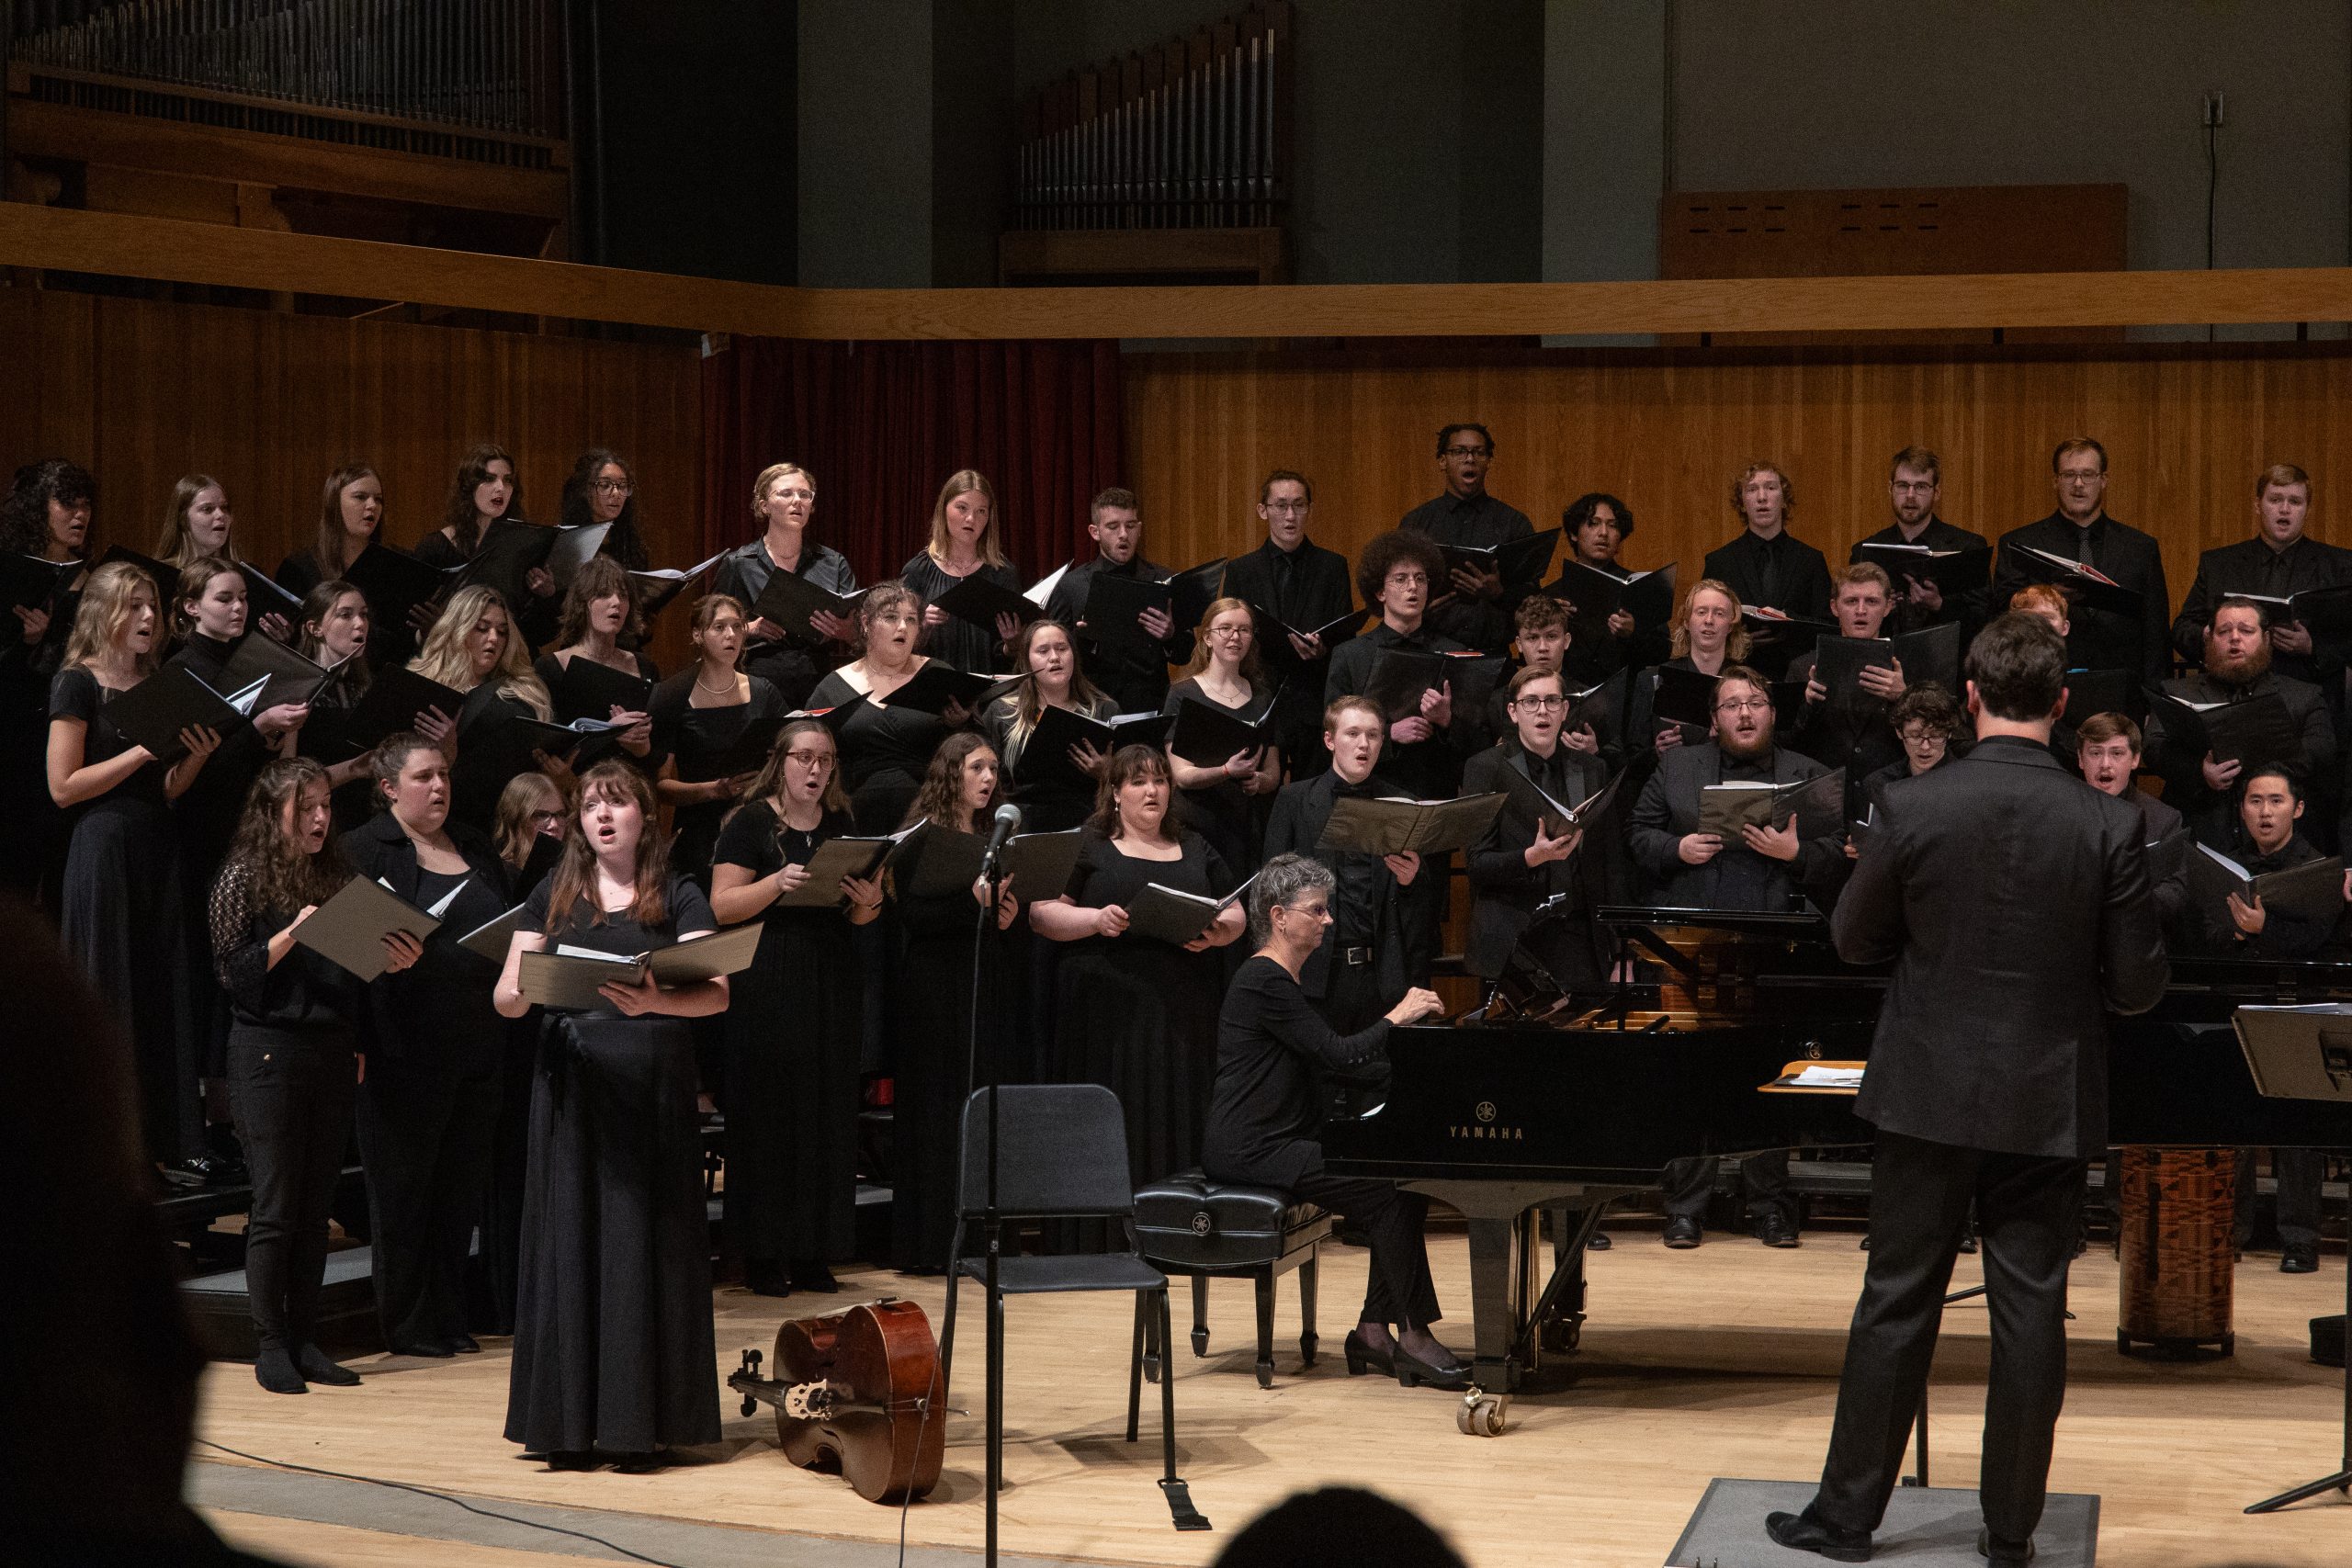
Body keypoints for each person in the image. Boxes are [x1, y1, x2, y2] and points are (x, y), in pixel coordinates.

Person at [1767, 612, 2167, 1568]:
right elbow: (2139, 986)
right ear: (2063, 706)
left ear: (1974, 698)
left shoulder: (1913, 807)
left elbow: (1854, 942)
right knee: (2029, 1309)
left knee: (1896, 1298)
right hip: (2047, 1094)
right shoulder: (2111, 820)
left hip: (1925, 1090)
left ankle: (1845, 1520)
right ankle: (2011, 1532)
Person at [493, 761, 729, 1472]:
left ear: (642, 818)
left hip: (651, 1085)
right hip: (575, 1083)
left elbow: (716, 992)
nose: (601, 815)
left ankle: (641, 1424)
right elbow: (507, 994)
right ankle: (568, 1423)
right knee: (572, 1241)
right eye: (590, 804)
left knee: (642, 1244)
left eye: (616, 802)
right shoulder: (554, 891)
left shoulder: (679, 891)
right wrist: (525, 989)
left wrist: (656, 1000)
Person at [1201, 853, 1460, 1386]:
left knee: (1400, 1178)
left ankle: (1373, 1328)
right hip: (1252, 1149)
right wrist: (1397, 1016)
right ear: (1279, 917)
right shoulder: (1262, 980)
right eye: (1316, 910)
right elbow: (1338, 1055)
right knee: (1388, 1188)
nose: (1328, 920)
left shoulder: (1279, 983)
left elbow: (1329, 1064)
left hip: (1279, 1140)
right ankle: (1410, 1333)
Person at [211, 756, 422, 1393]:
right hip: (268, 1049)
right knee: (275, 1205)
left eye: (326, 805)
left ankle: (306, 1337)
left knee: (315, 1206)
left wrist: (394, 959)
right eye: (306, 807)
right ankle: (269, 1342)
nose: (321, 817)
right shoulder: (241, 875)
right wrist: (292, 936)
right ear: (274, 812)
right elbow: (232, 974)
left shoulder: (336, 872)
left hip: (330, 1049)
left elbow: (355, 970)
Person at [1631, 665, 1844, 1249]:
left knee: (1770, 1078)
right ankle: (1684, 1208)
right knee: (1691, 1077)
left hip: (1776, 946)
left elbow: (1838, 854)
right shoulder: (1677, 767)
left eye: (1755, 702)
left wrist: (1796, 853)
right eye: (1731, 705)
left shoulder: (1811, 774)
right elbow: (1638, 834)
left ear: (1773, 713)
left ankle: (1770, 1205)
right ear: (1714, 718)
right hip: (1693, 947)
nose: (1745, 714)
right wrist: (1677, 847)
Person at [342, 732, 515, 1357]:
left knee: (458, 1188)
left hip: (476, 1042)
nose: (439, 786)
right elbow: (342, 955)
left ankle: (449, 1312)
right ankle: (409, 1322)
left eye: (443, 774)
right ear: (388, 787)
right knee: (404, 1193)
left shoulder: (471, 842)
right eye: (423, 777)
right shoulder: (364, 849)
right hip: (400, 1048)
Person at [50, 560, 221, 1172]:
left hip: (157, 844)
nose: (149, 617)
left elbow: (168, 788)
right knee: (111, 987)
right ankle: (107, 1152)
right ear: (104, 612)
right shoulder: (78, 681)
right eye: (134, 606)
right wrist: (142, 749)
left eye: (152, 605)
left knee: (161, 994)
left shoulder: (159, 682)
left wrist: (194, 757)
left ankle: (164, 1145)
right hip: (103, 848)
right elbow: (63, 785)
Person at [1029, 745, 1246, 1218]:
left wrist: (1216, 933)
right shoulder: (1090, 844)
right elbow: (1042, 912)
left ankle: (1178, 1222)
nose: (1153, 790)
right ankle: (1100, 1226)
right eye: (1139, 782)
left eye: (1161, 781)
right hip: (1105, 1012)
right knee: (1113, 1113)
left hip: (1182, 1008)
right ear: (1114, 793)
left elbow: (1236, 912)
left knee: (1176, 1110)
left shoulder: (1195, 845)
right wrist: (1094, 919)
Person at [708, 718, 882, 1295]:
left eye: (826, 760)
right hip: (765, 975)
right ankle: (762, 1253)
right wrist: (774, 884)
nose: (816, 769)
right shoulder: (750, 822)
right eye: (805, 757)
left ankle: (813, 1250)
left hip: (829, 975)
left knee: (825, 1112)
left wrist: (869, 902)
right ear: (780, 760)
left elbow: (857, 917)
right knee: (769, 1113)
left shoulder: (841, 825)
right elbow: (723, 906)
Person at [890, 732, 1024, 1274]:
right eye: (976, 768)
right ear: (951, 773)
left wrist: (1004, 916)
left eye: (993, 768)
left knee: (983, 1101)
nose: (988, 779)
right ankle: (931, 1242)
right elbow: (915, 919)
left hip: (983, 981)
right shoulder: (922, 837)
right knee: (938, 1104)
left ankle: (983, 1242)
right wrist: (971, 904)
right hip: (933, 988)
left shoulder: (999, 836)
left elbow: (998, 914)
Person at [2209, 770, 2334, 1273]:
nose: (2264, 811)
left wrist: (2266, 929)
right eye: (2255, 800)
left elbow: (2322, 939)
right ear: (2242, 809)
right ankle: (2229, 1231)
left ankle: (2300, 1239)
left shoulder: (2319, 868)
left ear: (2297, 809)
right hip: (2239, 1003)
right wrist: (2237, 936)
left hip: (2299, 1005)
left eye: (2275, 801)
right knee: (2233, 1118)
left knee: (2298, 1126)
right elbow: (2204, 933)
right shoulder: (2227, 866)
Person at [1262, 696, 1427, 1023]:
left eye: (1373, 735)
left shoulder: (1403, 803)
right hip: (1314, 974)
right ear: (1329, 740)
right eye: (1352, 734)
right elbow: (1270, 891)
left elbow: (1420, 905)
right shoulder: (1294, 800)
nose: (1363, 744)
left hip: (1382, 976)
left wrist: (1410, 880)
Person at [2145, 597, 2335, 847]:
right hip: (2199, 832)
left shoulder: (2303, 695)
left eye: (2246, 631)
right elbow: (2153, 747)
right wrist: (2200, 772)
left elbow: (2322, 751)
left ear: (2266, 639)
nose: (2235, 638)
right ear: (2209, 639)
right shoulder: (2176, 692)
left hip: (2281, 841)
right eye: (2224, 631)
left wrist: (2264, 771)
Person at [1463, 667, 1606, 995]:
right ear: (1513, 712)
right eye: (1530, 702)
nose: (1542, 710)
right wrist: (1530, 858)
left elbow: (1607, 861)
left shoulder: (1592, 769)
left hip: (1576, 938)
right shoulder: (1484, 768)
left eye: (1552, 700)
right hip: (1511, 941)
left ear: (1565, 710)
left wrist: (1616, 947)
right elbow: (1477, 864)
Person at [1990, 436, 2172, 688]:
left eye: (2088, 475)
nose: (2078, 484)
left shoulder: (2140, 547)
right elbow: (2001, 611)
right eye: (2068, 475)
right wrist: (2048, 595)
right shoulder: (2019, 543)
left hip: (2121, 684)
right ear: (2056, 481)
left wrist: (2156, 698)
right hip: (2042, 682)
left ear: (2103, 480)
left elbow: (2156, 630)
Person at [1, 459, 95, 911]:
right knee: (17, 865)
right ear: (38, 508)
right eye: (67, 504)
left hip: (76, 729)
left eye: (86, 505)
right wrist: (28, 641)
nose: (80, 515)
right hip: (19, 732)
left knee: (62, 865)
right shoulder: (11, 570)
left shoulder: (92, 575)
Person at [1323, 530, 1476, 800]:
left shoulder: (1455, 652)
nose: (1413, 587)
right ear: (1381, 592)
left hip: (1434, 787)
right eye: (1401, 579)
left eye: (1420, 579)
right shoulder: (1350, 655)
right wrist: (1388, 733)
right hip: (1371, 788)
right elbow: (1334, 733)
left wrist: (1446, 720)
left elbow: (1476, 738)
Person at [2172, 463, 2352, 692]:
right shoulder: (2219, 564)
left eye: (2295, 502)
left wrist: (2312, 647)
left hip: (2311, 698)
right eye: (2275, 500)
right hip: (2232, 695)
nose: (2284, 509)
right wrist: (2213, 636)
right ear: (2258, 505)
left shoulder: (2341, 566)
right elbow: (2182, 629)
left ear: (2307, 508)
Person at [1217, 469, 1353, 773]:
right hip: (1258, 700)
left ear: (1310, 509)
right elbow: (1227, 634)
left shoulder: (1333, 566)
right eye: (1280, 506)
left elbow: (1345, 638)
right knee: (1261, 798)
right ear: (1262, 511)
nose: (1290, 515)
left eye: (1298, 505)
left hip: (1314, 702)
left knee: (1314, 796)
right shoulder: (1242, 570)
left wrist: (1322, 650)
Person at [650, 593, 790, 883]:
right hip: (701, 830)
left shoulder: (764, 692)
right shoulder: (672, 695)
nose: (731, 635)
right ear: (697, 635)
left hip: (760, 823)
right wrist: (714, 790)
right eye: (719, 627)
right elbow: (660, 787)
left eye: (737, 627)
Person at [808, 580, 966, 834]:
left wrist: (960, 724)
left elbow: (967, 751)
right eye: (891, 617)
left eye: (911, 619)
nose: (903, 627)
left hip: (930, 818)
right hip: (853, 820)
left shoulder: (938, 675)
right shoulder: (833, 687)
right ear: (866, 624)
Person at [409, 584, 554, 834]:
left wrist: (556, 772)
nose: (494, 639)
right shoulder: (423, 685)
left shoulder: (525, 692)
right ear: (458, 629)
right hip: (443, 822)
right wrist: (447, 756)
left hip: (512, 823)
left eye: (502, 631)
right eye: (482, 628)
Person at [714, 462, 857, 707]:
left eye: (805, 495)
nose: (797, 501)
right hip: (758, 678)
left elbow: (860, 628)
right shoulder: (739, 564)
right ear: (764, 505)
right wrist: (750, 629)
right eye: (786, 493)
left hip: (818, 676)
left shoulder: (833, 562)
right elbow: (708, 628)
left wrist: (844, 630)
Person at [1046, 486, 1197, 714]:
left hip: (1151, 704)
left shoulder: (1166, 580)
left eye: (1131, 525)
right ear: (1095, 531)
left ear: (1139, 529)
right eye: (1113, 526)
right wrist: (1083, 640)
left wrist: (1170, 635)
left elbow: (1186, 654)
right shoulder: (1071, 585)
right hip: (1093, 706)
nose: (1123, 534)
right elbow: (1055, 656)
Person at [1163, 596, 1282, 875]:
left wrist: (1260, 781)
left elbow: (1273, 771)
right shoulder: (1183, 693)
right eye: (1225, 628)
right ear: (1207, 637)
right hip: (1197, 823)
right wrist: (1226, 770)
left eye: (1244, 630)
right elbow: (1181, 775)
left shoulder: (1262, 696)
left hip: (1245, 825)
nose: (1235, 637)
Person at [1397, 422, 1533, 655]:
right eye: (1459, 451)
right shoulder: (1416, 524)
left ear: (1488, 461)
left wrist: (1499, 594)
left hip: (1494, 654)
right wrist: (1419, 609)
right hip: (1428, 651)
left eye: (1478, 452)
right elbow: (1394, 588)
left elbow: (1532, 601)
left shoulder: (1514, 523)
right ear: (1442, 461)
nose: (1469, 459)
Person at [416, 444, 559, 649]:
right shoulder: (435, 547)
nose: (500, 487)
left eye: (508, 480)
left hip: (506, 662)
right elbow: (412, 626)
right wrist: (433, 630)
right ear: (469, 486)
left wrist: (547, 597)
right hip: (450, 661)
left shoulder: (524, 547)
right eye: (489, 479)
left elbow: (537, 634)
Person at [981, 617, 1114, 832]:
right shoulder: (1002, 712)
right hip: (1021, 823)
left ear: (1074, 655)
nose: (1054, 658)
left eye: (1062, 648)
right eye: (1043, 651)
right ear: (1027, 661)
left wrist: (1108, 772)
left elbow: (1131, 777)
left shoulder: (1104, 710)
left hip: (1088, 822)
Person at [1849, 446, 1991, 640]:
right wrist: (1880, 606)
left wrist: (1939, 604)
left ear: (1937, 492)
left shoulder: (1968, 546)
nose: (1910, 495)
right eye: (1902, 485)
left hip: (1948, 660)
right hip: (1882, 660)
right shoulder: (1863, 551)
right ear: (1890, 489)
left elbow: (1984, 619)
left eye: (1921, 487)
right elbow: (1849, 617)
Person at [532, 555, 657, 768]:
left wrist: (642, 747)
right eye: (604, 594)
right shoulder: (549, 667)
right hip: (576, 785)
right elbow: (546, 748)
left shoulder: (645, 666)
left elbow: (657, 752)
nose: (616, 602)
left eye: (624, 596)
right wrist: (609, 732)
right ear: (583, 603)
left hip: (631, 782)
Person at [277, 463, 405, 666]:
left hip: (381, 675)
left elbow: (401, 638)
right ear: (334, 504)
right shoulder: (299, 568)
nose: (372, 505)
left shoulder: (397, 564)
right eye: (360, 497)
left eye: (378, 499)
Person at [2075, 712, 2189, 940]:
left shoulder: (2165, 819)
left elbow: (2176, 890)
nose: (2105, 764)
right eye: (2095, 753)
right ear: (2080, 759)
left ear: (2135, 759)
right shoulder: (2062, 813)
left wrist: (2126, 907)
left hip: (2137, 941)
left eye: (2117, 753)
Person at [1702, 463, 1833, 661]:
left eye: (1771, 488)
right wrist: (1737, 640)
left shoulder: (1811, 559)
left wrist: (1788, 619)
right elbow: (1704, 622)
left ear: (1784, 500)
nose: (1762, 497)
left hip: (1797, 673)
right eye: (1752, 489)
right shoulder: (1720, 561)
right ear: (1742, 503)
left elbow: (1829, 625)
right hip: (1737, 672)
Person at [1787, 562, 1905, 777]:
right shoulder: (1802, 667)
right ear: (1834, 607)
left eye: (1871, 601)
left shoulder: (1906, 667)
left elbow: (1933, 735)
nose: (1861, 610)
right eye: (1851, 601)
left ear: (1888, 607)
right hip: (1824, 788)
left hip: (1887, 788)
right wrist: (1808, 706)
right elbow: (1787, 744)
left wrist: (1903, 697)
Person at [904, 468, 1026, 677]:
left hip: (990, 694)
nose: (971, 519)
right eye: (962, 508)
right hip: (931, 687)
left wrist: (1012, 644)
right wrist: (922, 624)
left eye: (981, 511)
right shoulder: (918, 570)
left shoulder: (1002, 573)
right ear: (944, 509)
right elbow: (896, 642)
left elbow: (1011, 655)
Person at [290, 578, 387, 834]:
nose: (360, 624)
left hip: (366, 817)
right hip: (317, 822)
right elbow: (287, 781)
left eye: (364, 615)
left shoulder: (365, 686)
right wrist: (354, 769)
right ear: (315, 628)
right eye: (345, 615)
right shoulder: (297, 687)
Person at [1627, 578, 1751, 752]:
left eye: (1719, 613)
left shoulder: (1749, 682)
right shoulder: (1652, 679)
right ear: (1686, 621)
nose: (1709, 620)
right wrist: (1656, 751)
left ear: (1730, 626)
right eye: (1701, 612)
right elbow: (1634, 752)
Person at [1554, 491, 1660, 688]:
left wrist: (1633, 633)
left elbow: (1662, 651)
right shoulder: (1552, 596)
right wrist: (1551, 621)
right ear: (1573, 533)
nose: (1603, 533)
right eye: (1593, 523)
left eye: (1613, 526)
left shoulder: (1640, 588)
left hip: (1624, 696)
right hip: (1567, 697)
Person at [1858, 682, 1963, 826]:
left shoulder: (1966, 786)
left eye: (1935, 736)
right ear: (1899, 732)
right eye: (1915, 736)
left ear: (1949, 733)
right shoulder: (1879, 784)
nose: (1925, 746)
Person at [557, 446, 650, 572]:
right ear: (585, 490)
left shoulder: (630, 546)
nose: (616, 493)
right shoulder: (569, 544)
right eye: (605, 485)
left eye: (622, 486)